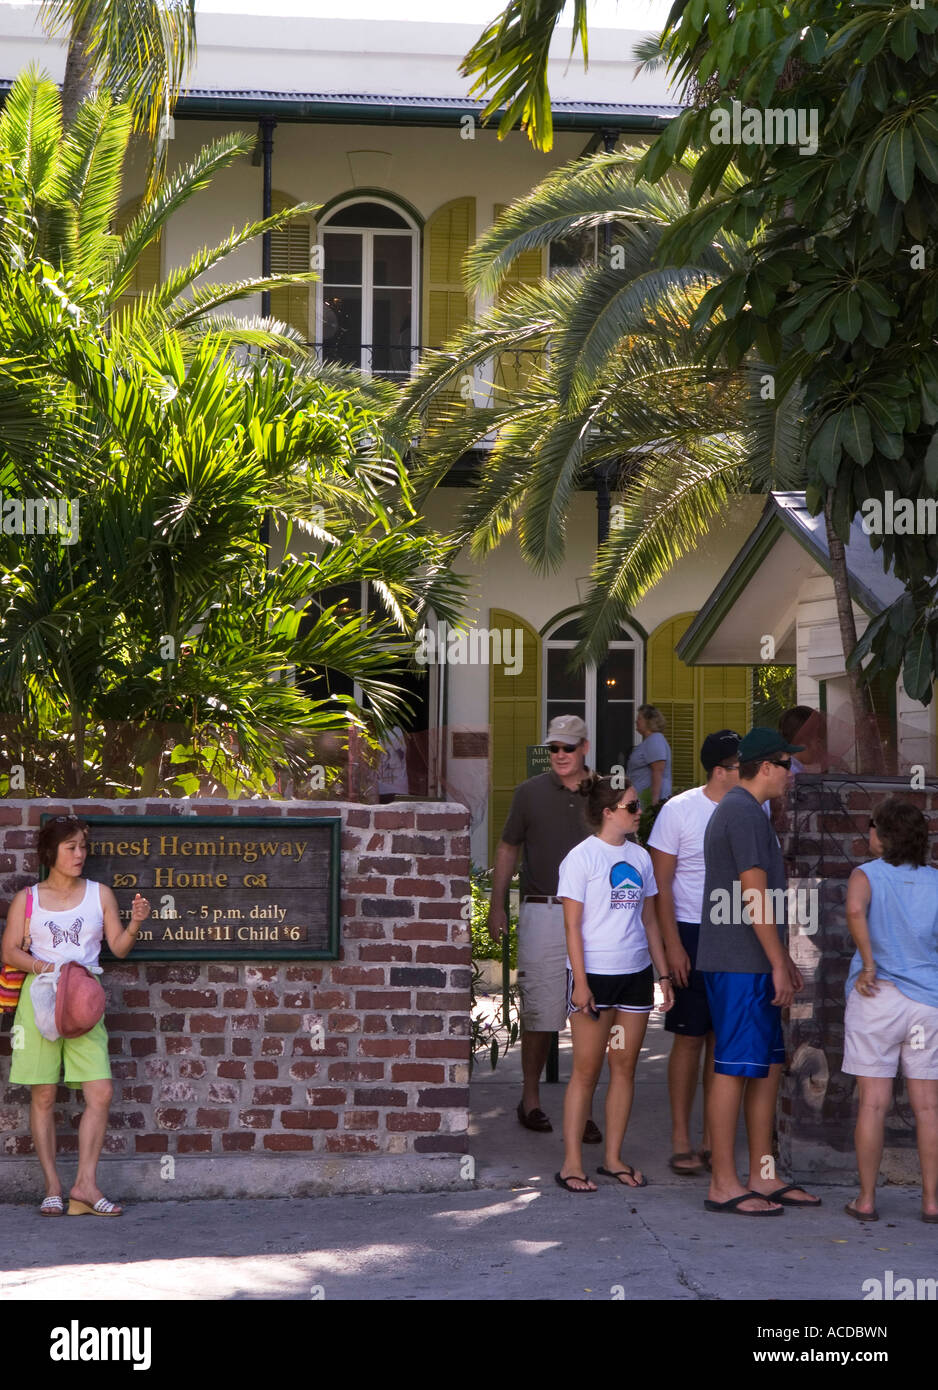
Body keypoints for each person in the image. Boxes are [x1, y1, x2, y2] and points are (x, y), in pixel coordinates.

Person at [696, 727, 822, 1215]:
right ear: (766, 766)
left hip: (752, 961)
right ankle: (723, 1184)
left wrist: (782, 960)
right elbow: (753, 896)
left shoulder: (749, 812)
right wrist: (777, 961)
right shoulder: (743, 812)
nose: (792, 774)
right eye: (787, 764)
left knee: (766, 1068)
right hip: (740, 964)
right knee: (733, 1068)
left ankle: (761, 1176)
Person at [1, 815, 151, 1217]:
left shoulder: (99, 894)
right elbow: (9, 950)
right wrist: (45, 969)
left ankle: (85, 1185)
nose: (80, 854)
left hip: (85, 999)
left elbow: (117, 948)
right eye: (71, 847)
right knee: (44, 1092)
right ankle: (52, 1187)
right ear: (51, 853)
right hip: (41, 999)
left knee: (99, 1091)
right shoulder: (28, 898)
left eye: (83, 846)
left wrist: (135, 923)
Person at [555, 776, 674, 1191]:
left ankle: (613, 1158)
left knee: (624, 1069)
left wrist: (662, 975)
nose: (639, 812)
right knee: (585, 1072)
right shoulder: (580, 859)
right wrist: (580, 984)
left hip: (635, 978)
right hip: (595, 980)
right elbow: (571, 927)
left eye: (638, 805)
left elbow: (648, 920)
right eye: (632, 806)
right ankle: (572, 1164)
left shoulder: (640, 859)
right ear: (608, 813)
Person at [488, 714, 601, 1141]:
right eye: (553, 747)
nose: (559, 755)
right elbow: (507, 848)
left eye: (568, 748)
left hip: (596, 915)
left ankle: (584, 1109)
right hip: (543, 909)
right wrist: (497, 905)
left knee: (592, 1013)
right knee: (539, 1010)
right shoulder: (529, 793)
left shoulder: (606, 792)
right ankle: (530, 1098)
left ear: (584, 748)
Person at [648, 730, 741, 1177]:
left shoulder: (753, 805)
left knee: (723, 1038)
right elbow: (659, 884)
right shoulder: (678, 810)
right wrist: (672, 946)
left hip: (736, 932)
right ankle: (681, 1137)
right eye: (742, 764)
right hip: (689, 930)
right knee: (688, 1036)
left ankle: (712, 1138)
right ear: (719, 770)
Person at [842, 798, 938, 1224]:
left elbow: (854, 908)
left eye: (873, 827)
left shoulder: (866, 875)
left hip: (876, 999)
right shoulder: (936, 882)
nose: (869, 834)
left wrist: (868, 962)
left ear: (883, 836)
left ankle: (865, 1200)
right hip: (926, 1003)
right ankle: (932, 1201)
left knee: (873, 1105)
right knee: (929, 1108)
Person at [627, 705, 672, 808]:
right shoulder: (649, 741)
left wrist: (654, 804)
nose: (636, 721)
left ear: (649, 721)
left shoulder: (655, 740)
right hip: (640, 801)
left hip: (647, 803)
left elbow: (658, 771)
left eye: (639, 718)